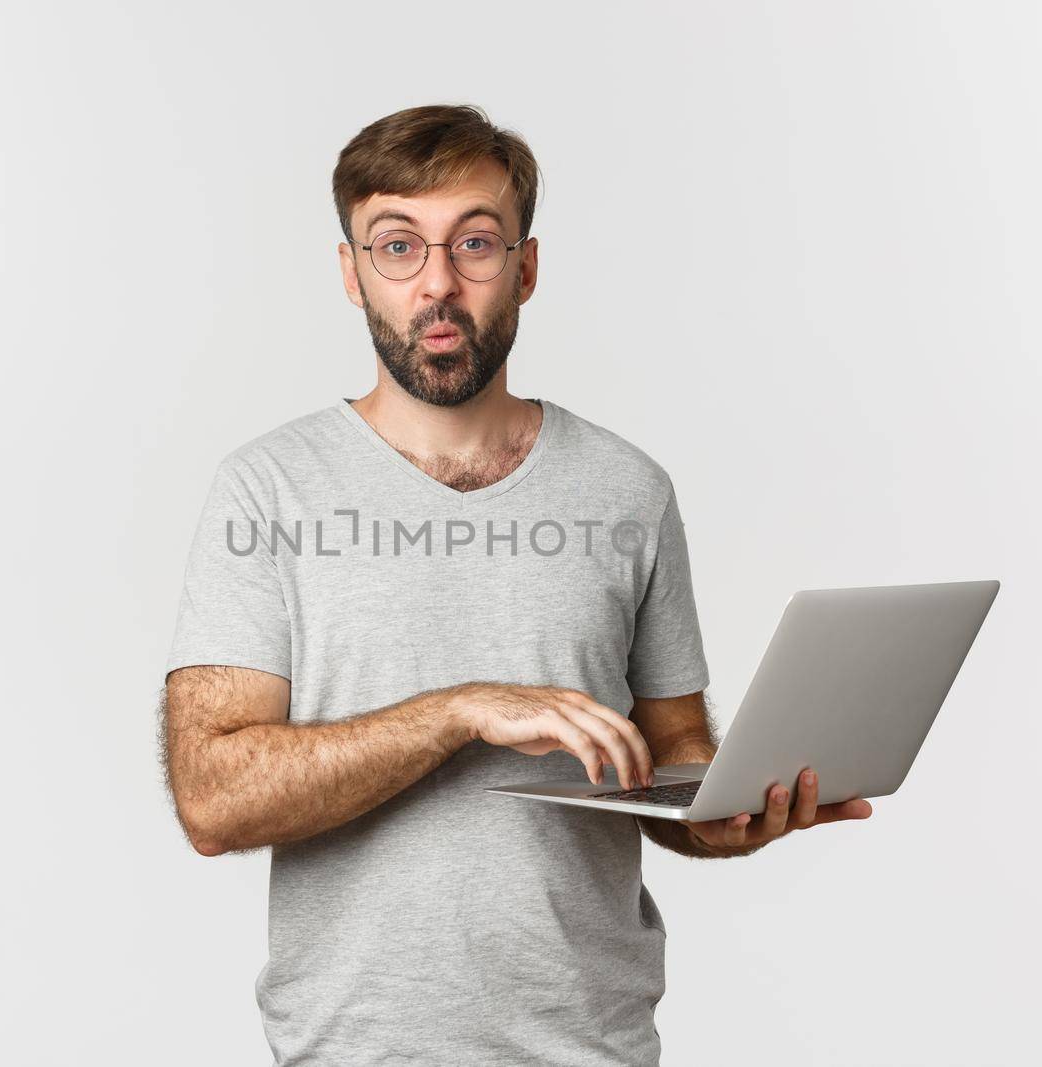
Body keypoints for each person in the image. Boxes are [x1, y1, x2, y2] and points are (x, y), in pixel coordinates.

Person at [159, 103, 872, 1066]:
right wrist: (459, 711)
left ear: (526, 268)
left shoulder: (629, 489)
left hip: (591, 1043)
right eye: (398, 246)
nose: (439, 284)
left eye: (477, 244)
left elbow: (672, 757)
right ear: (351, 273)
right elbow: (213, 798)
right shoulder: (268, 487)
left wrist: (732, 813)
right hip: (356, 1049)